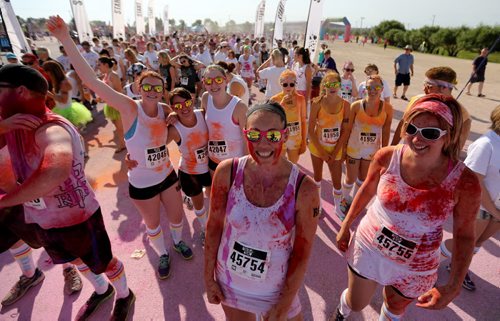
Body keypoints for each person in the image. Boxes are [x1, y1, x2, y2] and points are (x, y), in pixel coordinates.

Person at [48, 15, 194, 281]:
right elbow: (93, 82)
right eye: (146, 86)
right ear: (139, 88)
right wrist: (66, 39)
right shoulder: (129, 107)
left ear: (162, 91)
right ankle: (162, 254)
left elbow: (185, 123)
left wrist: (174, 119)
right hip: (142, 183)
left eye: (157, 87)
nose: (151, 90)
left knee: (176, 217)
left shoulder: (164, 110)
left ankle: (178, 242)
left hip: (167, 175)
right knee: (152, 225)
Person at [0, 64, 134, 321]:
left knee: (104, 262)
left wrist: (6, 201)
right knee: (75, 260)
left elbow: (55, 170)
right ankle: (101, 290)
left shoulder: (52, 128)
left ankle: (125, 294)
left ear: (20, 91)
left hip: (77, 217)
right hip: (43, 218)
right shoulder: (11, 122)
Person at [334, 94, 481, 321]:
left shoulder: (464, 182)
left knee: (395, 308)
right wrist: (346, 224)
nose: (417, 138)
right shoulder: (386, 157)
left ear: (448, 137)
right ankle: (342, 311)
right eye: (411, 128)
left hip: (415, 265)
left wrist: (453, 286)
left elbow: (464, 236)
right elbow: (366, 190)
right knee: (356, 302)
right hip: (370, 248)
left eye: (430, 133)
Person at [204, 101, 320, 321]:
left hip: (275, 290)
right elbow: (214, 227)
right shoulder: (227, 171)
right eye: (255, 135)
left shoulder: (304, 188)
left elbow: (302, 252)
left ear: (285, 136)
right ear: (245, 134)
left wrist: (282, 306)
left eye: (273, 136)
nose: (263, 143)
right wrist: (208, 279)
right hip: (230, 283)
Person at [440, 104, 500, 291]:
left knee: (478, 242)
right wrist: (494, 211)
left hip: (497, 210)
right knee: (464, 242)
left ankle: (458, 267)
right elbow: (474, 182)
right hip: (481, 208)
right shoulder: (486, 144)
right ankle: (427, 266)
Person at [341, 75, 393, 217]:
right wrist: (343, 149)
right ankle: (344, 200)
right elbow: (348, 128)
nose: (372, 90)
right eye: (369, 87)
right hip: (354, 148)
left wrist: (384, 151)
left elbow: (386, 131)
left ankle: (355, 203)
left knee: (362, 179)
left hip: (371, 151)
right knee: (350, 178)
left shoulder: (387, 109)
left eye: (376, 87)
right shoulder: (356, 106)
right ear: (365, 88)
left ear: (382, 89)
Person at [391, 66, 471, 151]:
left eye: (429, 87)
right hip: (407, 154)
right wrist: (392, 148)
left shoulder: (462, 114)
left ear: (444, 88)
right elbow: (403, 124)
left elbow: (457, 148)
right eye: (424, 85)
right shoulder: (417, 100)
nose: (424, 89)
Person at [308, 72, 350, 216]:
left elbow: (345, 131)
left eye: (335, 84)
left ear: (339, 85)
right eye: (329, 84)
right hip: (317, 148)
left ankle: (338, 207)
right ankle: (317, 204)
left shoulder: (346, 105)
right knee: (317, 178)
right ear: (324, 86)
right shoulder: (316, 103)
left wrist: (336, 151)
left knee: (337, 180)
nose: (332, 87)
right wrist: (323, 153)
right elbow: (310, 130)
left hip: (335, 149)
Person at [202, 65, 248, 175]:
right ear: (204, 83)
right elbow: (200, 120)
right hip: (213, 161)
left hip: (235, 163)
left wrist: (247, 165)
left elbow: (247, 139)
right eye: (208, 81)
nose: (213, 85)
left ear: (226, 80)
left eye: (218, 80)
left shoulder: (239, 106)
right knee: (218, 192)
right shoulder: (206, 98)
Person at [270, 70, 307, 164]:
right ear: (280, 84)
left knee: (293, 167)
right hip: (280, 138)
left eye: (292, 84)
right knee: (279, 165)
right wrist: (281, 103)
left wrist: (304, 141)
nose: (289, 87)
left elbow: (303, 121)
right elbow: (271, 120)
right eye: (285, 84)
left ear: (295, 84)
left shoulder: (300, 99)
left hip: (295, 138)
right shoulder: (274, 99)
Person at [42, 61, 92, 130]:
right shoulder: (57, 83)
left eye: (46, 71)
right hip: (61, 109)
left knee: (73, 132)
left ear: (51, 72)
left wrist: (48, 93)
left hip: (68, 112)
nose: (46, 74)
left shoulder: (64, 83)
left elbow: (63, 100)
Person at [98, 57, 127, 153]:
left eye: (100, 65)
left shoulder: (113, 75)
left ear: (106, 65)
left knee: (121, 127)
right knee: (118, 128)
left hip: (116, 104)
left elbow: (119, 91)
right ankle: (123, 144)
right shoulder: (106, 75)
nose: (98, 67)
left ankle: (128, 145)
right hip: (110, 104)